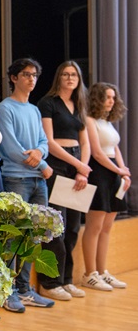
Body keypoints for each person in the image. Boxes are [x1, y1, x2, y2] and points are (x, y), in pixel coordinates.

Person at [0, 58, 55, 313]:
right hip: (16, 178)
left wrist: (40, 155)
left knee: (33, 237)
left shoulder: (34, 109)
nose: (31, 79)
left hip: (37, 182)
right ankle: (7, 292)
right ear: (13, 78)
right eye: (26, 74)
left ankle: (24, 289)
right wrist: (41, 164)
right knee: (13, 237)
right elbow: (9, 147)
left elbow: (43, 142)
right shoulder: (4, 108)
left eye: (34, 75)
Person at [36, 61, 90, 301]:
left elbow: (85, 142)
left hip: (78, 167)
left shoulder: (79, 105)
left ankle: (66, 280)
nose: (70, 78)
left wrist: (82, 170)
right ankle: (49, 283)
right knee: (56, 226)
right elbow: (48, 141)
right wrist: (78, 165)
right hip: (58, 165)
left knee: (73, 228)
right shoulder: (48, 103)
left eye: (74, 75)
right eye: (66, 74)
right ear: (58, 78)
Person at [81, 82, 130, 290]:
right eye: (107, 97)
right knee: (95, 225)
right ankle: (89, 274)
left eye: (113, 97)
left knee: (107, 227)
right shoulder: (89, 120)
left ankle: (102, 272)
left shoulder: (106, 122)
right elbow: (97, 153)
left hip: (113, 174)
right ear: (97, 99)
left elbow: (114, 148)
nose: (111, 101)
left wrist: (123, 170)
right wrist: (118, 170)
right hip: (99, 173)